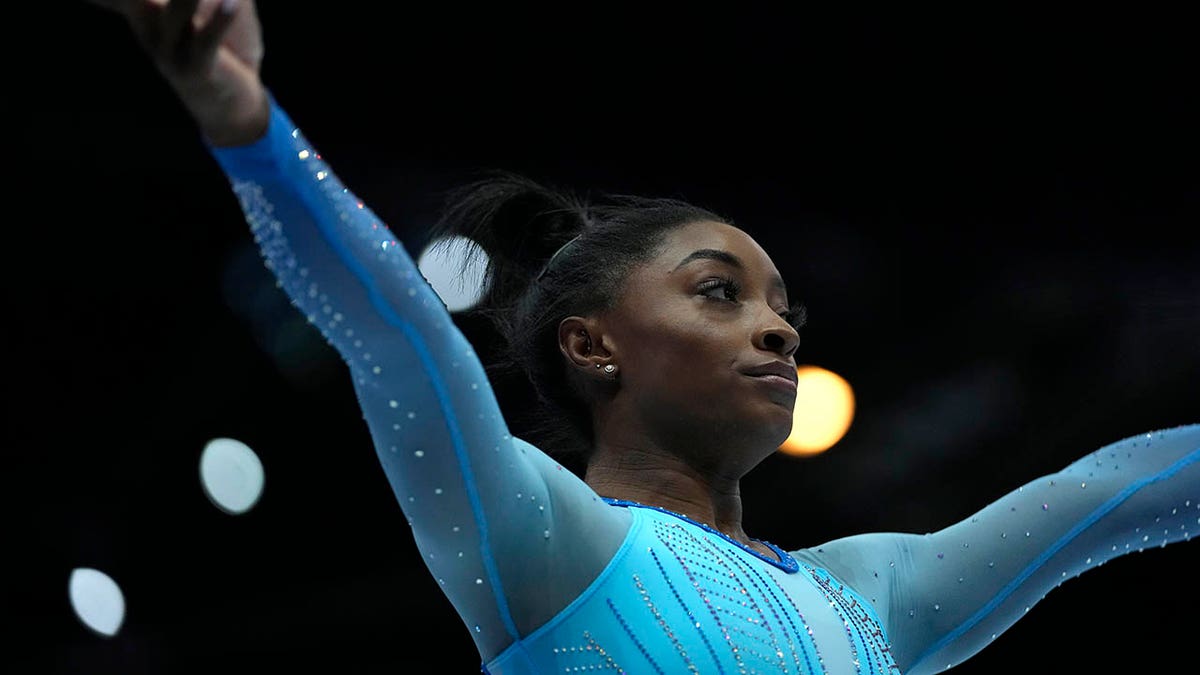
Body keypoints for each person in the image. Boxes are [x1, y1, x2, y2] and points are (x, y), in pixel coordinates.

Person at [86, 2, 1198, 673]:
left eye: (783, 310)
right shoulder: (547, 541)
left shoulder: (878, 599)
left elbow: (1130, 485)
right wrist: (251, 132)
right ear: (593, 346)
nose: (774, 327)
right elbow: (397, 335)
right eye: (720, 293)